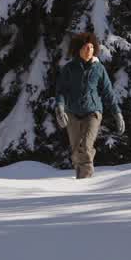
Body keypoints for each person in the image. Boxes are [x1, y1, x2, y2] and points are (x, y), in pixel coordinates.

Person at [54, 32, 124, 179]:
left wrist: (117, 114)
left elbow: (108, 93)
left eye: (92, 47)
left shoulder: (99, 69)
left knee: (86, 146)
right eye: (86, 47)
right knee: (75, 150)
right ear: (78, 49)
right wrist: (60, 108)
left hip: (93, 112)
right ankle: (81, 180)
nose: (89, 50)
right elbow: (61, 91)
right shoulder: (69, 69)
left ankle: (86, 182)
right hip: (72, 113)